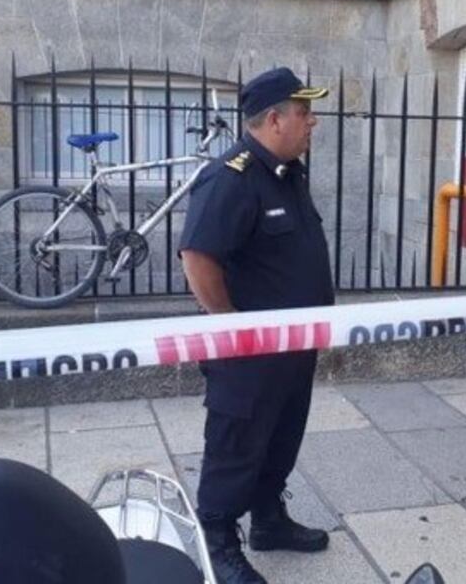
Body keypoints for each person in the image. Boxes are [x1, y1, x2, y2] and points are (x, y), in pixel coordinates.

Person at [179, 67, 334, 584]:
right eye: (304, 113)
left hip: (293, 349)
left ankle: (268, 518)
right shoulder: (232, 177)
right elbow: (198, 258)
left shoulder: (288, 173)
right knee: (236, 444)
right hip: (249, 352)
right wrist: (231, 328)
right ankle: (219, 541)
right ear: (274, 119)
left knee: (281, 435)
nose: (313, 122)